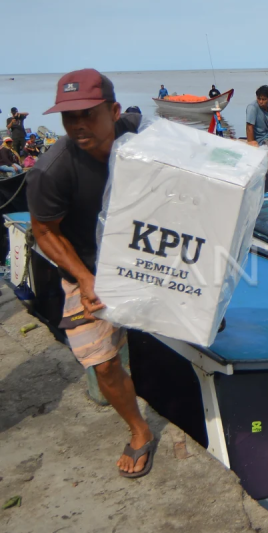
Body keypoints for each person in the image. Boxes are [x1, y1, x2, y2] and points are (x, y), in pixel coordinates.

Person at [26, 69, 155, 478]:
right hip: (89, 267)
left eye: (87, 113)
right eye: (68, 117)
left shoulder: (140, 133)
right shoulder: (52, 170)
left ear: (115, 110)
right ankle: (139, 431)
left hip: (146, 259)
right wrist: (83, 278)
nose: (77, 125)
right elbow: (44, 232)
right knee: (102, 363)